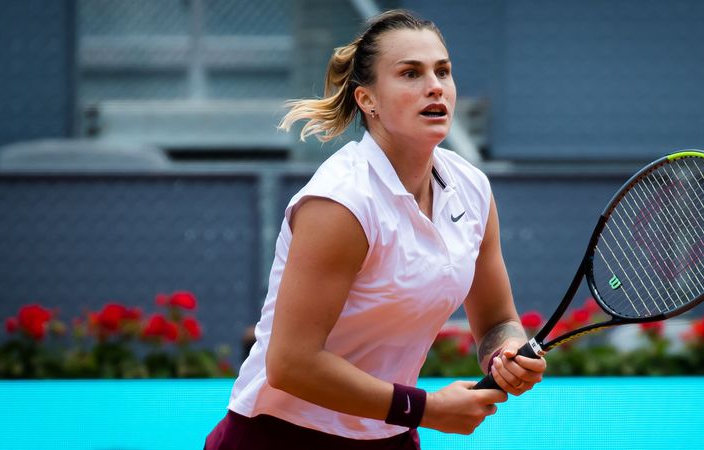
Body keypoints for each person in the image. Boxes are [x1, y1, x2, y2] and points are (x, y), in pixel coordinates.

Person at [204, 9, 546, 450]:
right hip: (279, 436)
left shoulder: (472, 189)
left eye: (443, 71)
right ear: (368, 100)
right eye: (410, 73)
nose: (435, 85)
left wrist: (506, 354)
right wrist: (425, 409)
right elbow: (291, 363)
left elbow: (498, 320)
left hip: (389, 435)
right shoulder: (342, 202)